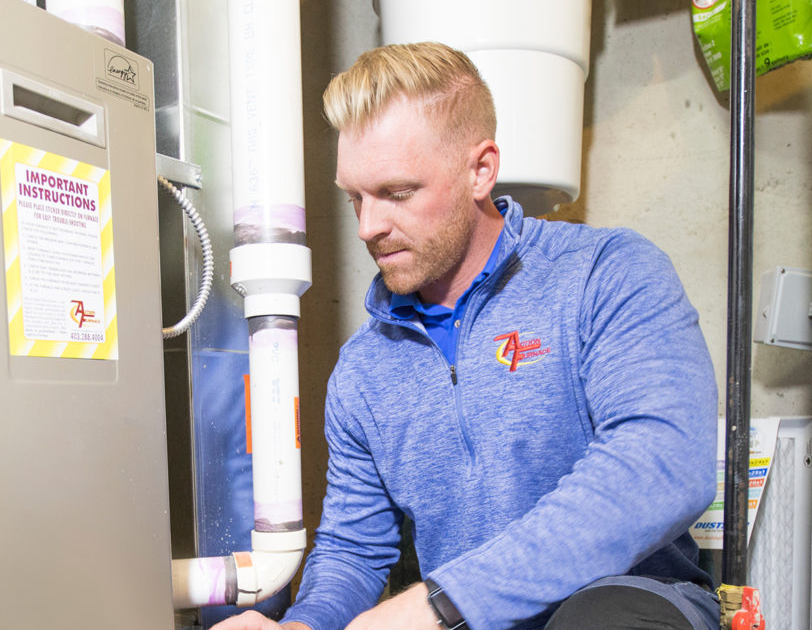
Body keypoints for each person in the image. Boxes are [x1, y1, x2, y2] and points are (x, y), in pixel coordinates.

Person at [214, 41, 719, 630]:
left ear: (480, 170)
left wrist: (443, 600)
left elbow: (662, 462)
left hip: (625, 604)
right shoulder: (363, 370)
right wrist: (303, 626)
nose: (368, 227)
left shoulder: (605, 273)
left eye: (397, 193)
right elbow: (354, 552)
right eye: (355, 197)